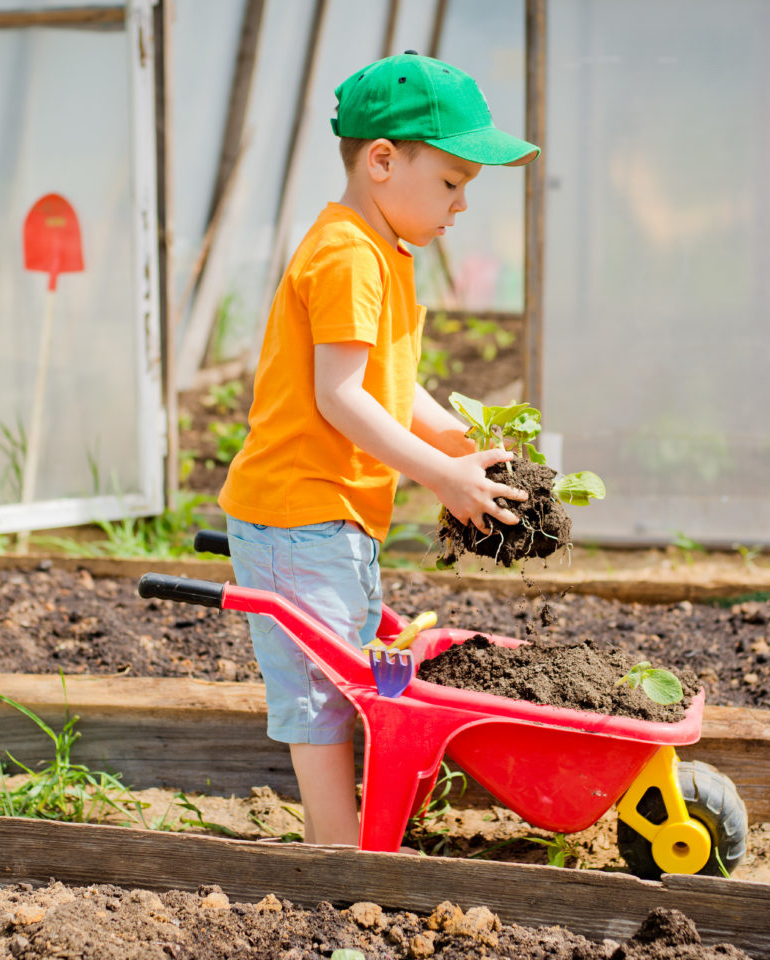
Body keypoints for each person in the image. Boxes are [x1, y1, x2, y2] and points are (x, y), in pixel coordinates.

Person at [217, 52, 539, 847]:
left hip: (334, 518)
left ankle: (366, 834)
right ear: (384, 161)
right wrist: (441, 477)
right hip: (298, 514)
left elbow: (387, 385)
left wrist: (462, 441)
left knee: (352, 676)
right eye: (453, 182)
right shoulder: (348, 255)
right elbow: (339, 397)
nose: (462, 205)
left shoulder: (385, 252)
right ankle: (339, 859)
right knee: (324, 698)